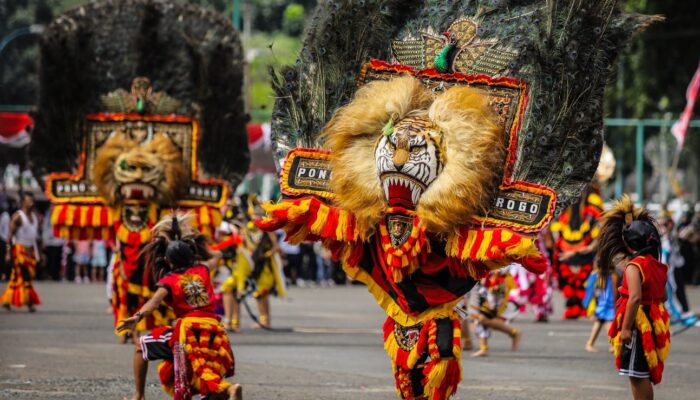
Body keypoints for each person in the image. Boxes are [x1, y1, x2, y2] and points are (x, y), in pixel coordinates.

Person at [117, 213, 241, 400]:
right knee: (205, 379)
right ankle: (230, 390)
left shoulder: (170, 279)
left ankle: (139, 396)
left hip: (189, 332)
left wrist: (137, 317)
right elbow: (217, 254)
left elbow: (153, 302)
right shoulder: (203, 269)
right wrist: (190, 245)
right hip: (214, 331)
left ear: (167, 261)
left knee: (140, 348)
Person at [598, 195, 670, 399]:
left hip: (640, 324)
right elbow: (663, 295)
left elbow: (635, 298)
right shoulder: (657, 265)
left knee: (637, 375)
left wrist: (627, 327)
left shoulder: (634, 266)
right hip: (655, 318)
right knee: (643, 371)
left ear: (629, 245)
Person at [2, 192, 41, 311]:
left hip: (31, 250)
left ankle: (7, 300)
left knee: (18, 277)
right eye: (29, 200)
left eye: (32, 200)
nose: (31, 203)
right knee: (25, 276)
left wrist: (39, 252)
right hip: (19, 250)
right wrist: (8, 252)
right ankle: (29, 303)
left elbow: (34, 237)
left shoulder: (34, 217)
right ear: (23, 202)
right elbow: (9, 237)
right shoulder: (17, 217)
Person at [469, 270, 522, 358]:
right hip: (485, 279)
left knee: (483, 317)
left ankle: (514, 332)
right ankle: (484, 348)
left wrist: (496, 269)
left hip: (498, 283)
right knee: (481, 316)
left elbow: (506, 261)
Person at [582, 263, 617, 352]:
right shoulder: (609, 275)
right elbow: (614, 290)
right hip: (606, 303)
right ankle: (612, 345)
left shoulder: (598, 274)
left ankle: (590, 343)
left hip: (603, 303)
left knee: (600, 322)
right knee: (608, 322)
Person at [42, 207, 65, 281]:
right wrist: (44, 240)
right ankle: (50, 275)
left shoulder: (60, 215)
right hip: (49, 242)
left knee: (57, 259)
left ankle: (56, 275)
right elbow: (45, 228)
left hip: (58, 241)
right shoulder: (48, 216)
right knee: (49, 259)